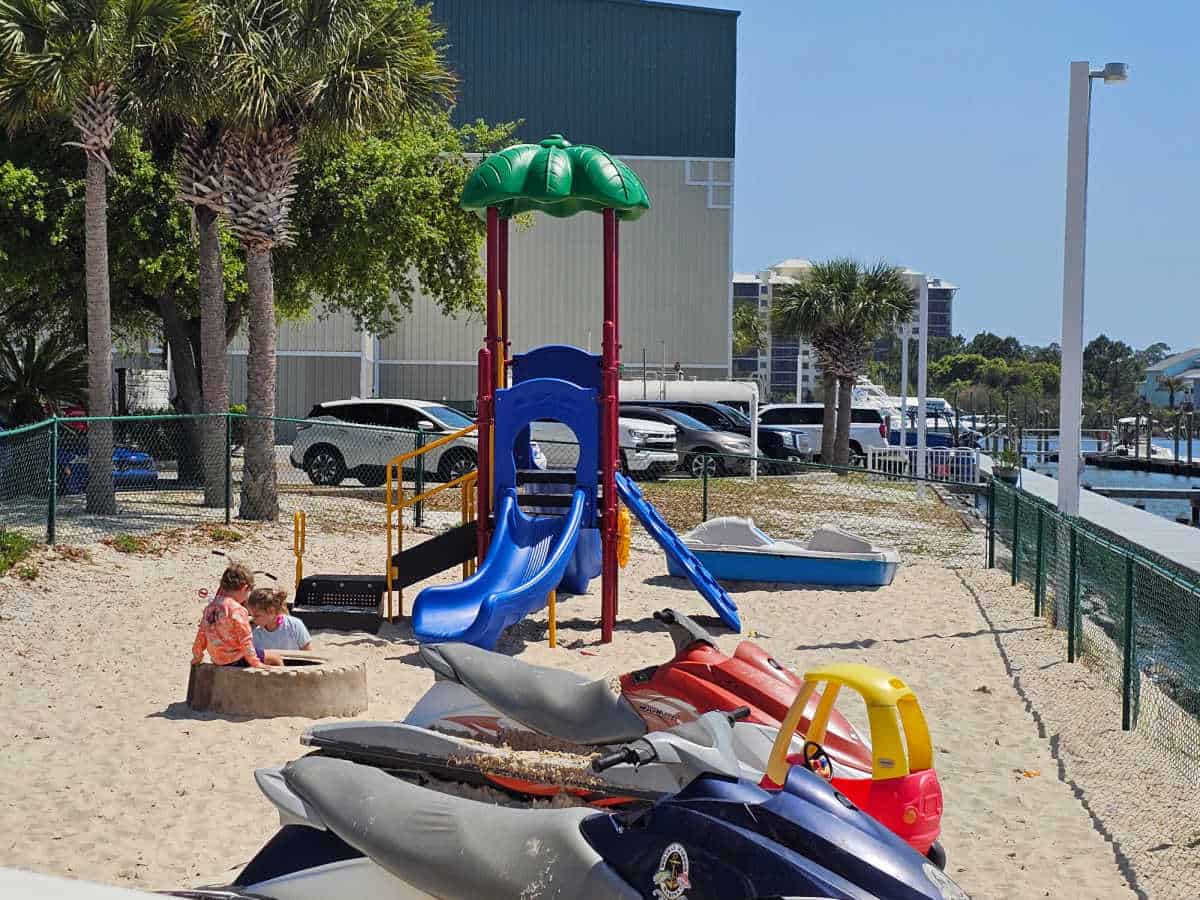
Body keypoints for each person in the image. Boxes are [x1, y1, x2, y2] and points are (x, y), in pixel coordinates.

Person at [191, 562, 275, 668]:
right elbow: (245, 639)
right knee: (274, 658)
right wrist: (255, 662)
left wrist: (197, 656)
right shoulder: (237, 610)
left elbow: (201, 634)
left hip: (217, 658)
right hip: (236, 659)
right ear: (245, 588)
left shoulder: (210, 608)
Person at [247, 588, 312, 654]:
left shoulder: (295, 625)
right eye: (251, 615)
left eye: (257, 616)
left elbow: (308, 653)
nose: (253, 619)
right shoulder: (256, 634)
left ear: (271, 612)